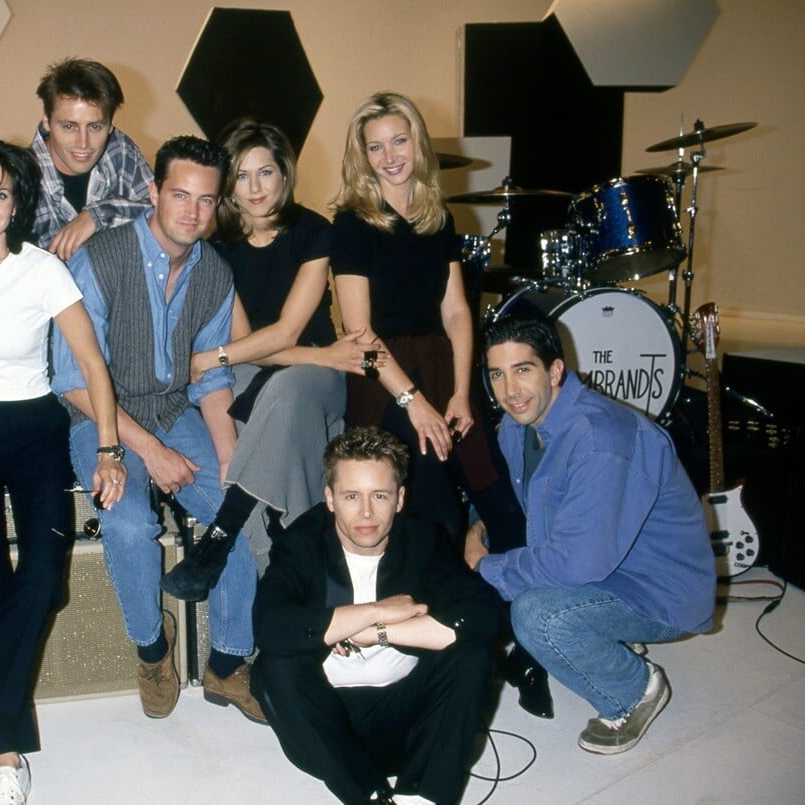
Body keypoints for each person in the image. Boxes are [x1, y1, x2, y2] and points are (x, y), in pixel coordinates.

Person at [330, 91, 549, 718]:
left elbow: (457, 311)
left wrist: (459, 392)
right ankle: (451, 656)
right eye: (376, 147)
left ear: (418, 143)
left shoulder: (438, 217)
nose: (390, 156)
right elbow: (360, 336)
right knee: (437, 521)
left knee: (501, 502)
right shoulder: (353, 222)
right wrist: (417, 403)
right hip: (384, 382)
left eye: (400, 141)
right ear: (363, 157)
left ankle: (527, 639)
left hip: (442, 373)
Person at [0, 132, 125, 804]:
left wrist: (108, 447)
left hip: (34, 428)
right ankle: (7, 754)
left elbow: (92, 365)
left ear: (17, 203)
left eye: (1, 192)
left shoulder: (41, 268)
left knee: (40, 579)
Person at [51, 135, 265, 724]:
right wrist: (148, 453)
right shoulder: (98, 259)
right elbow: (71, 381)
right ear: (152, 193)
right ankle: (152, 650)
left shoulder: (215, 273)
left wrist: (231, 462)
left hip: (175, 410)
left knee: (237, 510)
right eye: (179, 194)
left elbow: (212, 382)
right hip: (100, 418)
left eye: (205, 199)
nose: (191, 211)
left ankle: (228, 663)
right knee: (127, 523)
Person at [470, 315, 716, 754]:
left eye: (523, 370)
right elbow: (517, 505)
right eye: (497, 374)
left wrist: (485, 567)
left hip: (662, 592)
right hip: (610, 566)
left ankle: (634, 690)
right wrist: (478, 527)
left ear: (556, 370)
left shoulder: (602, 439)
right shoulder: (515, 426)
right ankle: (604, 631)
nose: (509, 391)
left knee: (537, 616)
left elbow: (573, 563)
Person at [161, 118, 371, 599]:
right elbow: (251, 341)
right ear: (227, 185)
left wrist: (206, 359)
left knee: (286, 387)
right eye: (241, 175)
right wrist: (219, 361)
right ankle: (279, 578)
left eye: (266, 173)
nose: (255, 188)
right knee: (266, 396)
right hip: (284, 363)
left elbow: (286, 331)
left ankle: (220, 533)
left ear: (284, 175)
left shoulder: (315, 232)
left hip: (317, 373)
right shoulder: (216, 249)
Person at [252, 427, 500, 805]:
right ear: (330, 499)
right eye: (351, 496)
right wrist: (372, 612)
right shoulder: (301, 544)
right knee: (274, 669)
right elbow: (269, 626)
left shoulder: (422, 540)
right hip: (328, 730)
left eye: (379, 496)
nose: (366, 512)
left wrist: (379, 632)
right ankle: (369, 797)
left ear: (399, 499)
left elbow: (482, 617)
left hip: (411, 722)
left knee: (473, 657)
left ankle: (423, 797)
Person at [30, 57, 154, 260]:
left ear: (110, 125)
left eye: (95, 127)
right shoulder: (18, 176)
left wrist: (100, 215)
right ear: (47, 121)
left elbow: (165, 216)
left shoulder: (120, 150)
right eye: (69, 126)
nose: (83, 143)